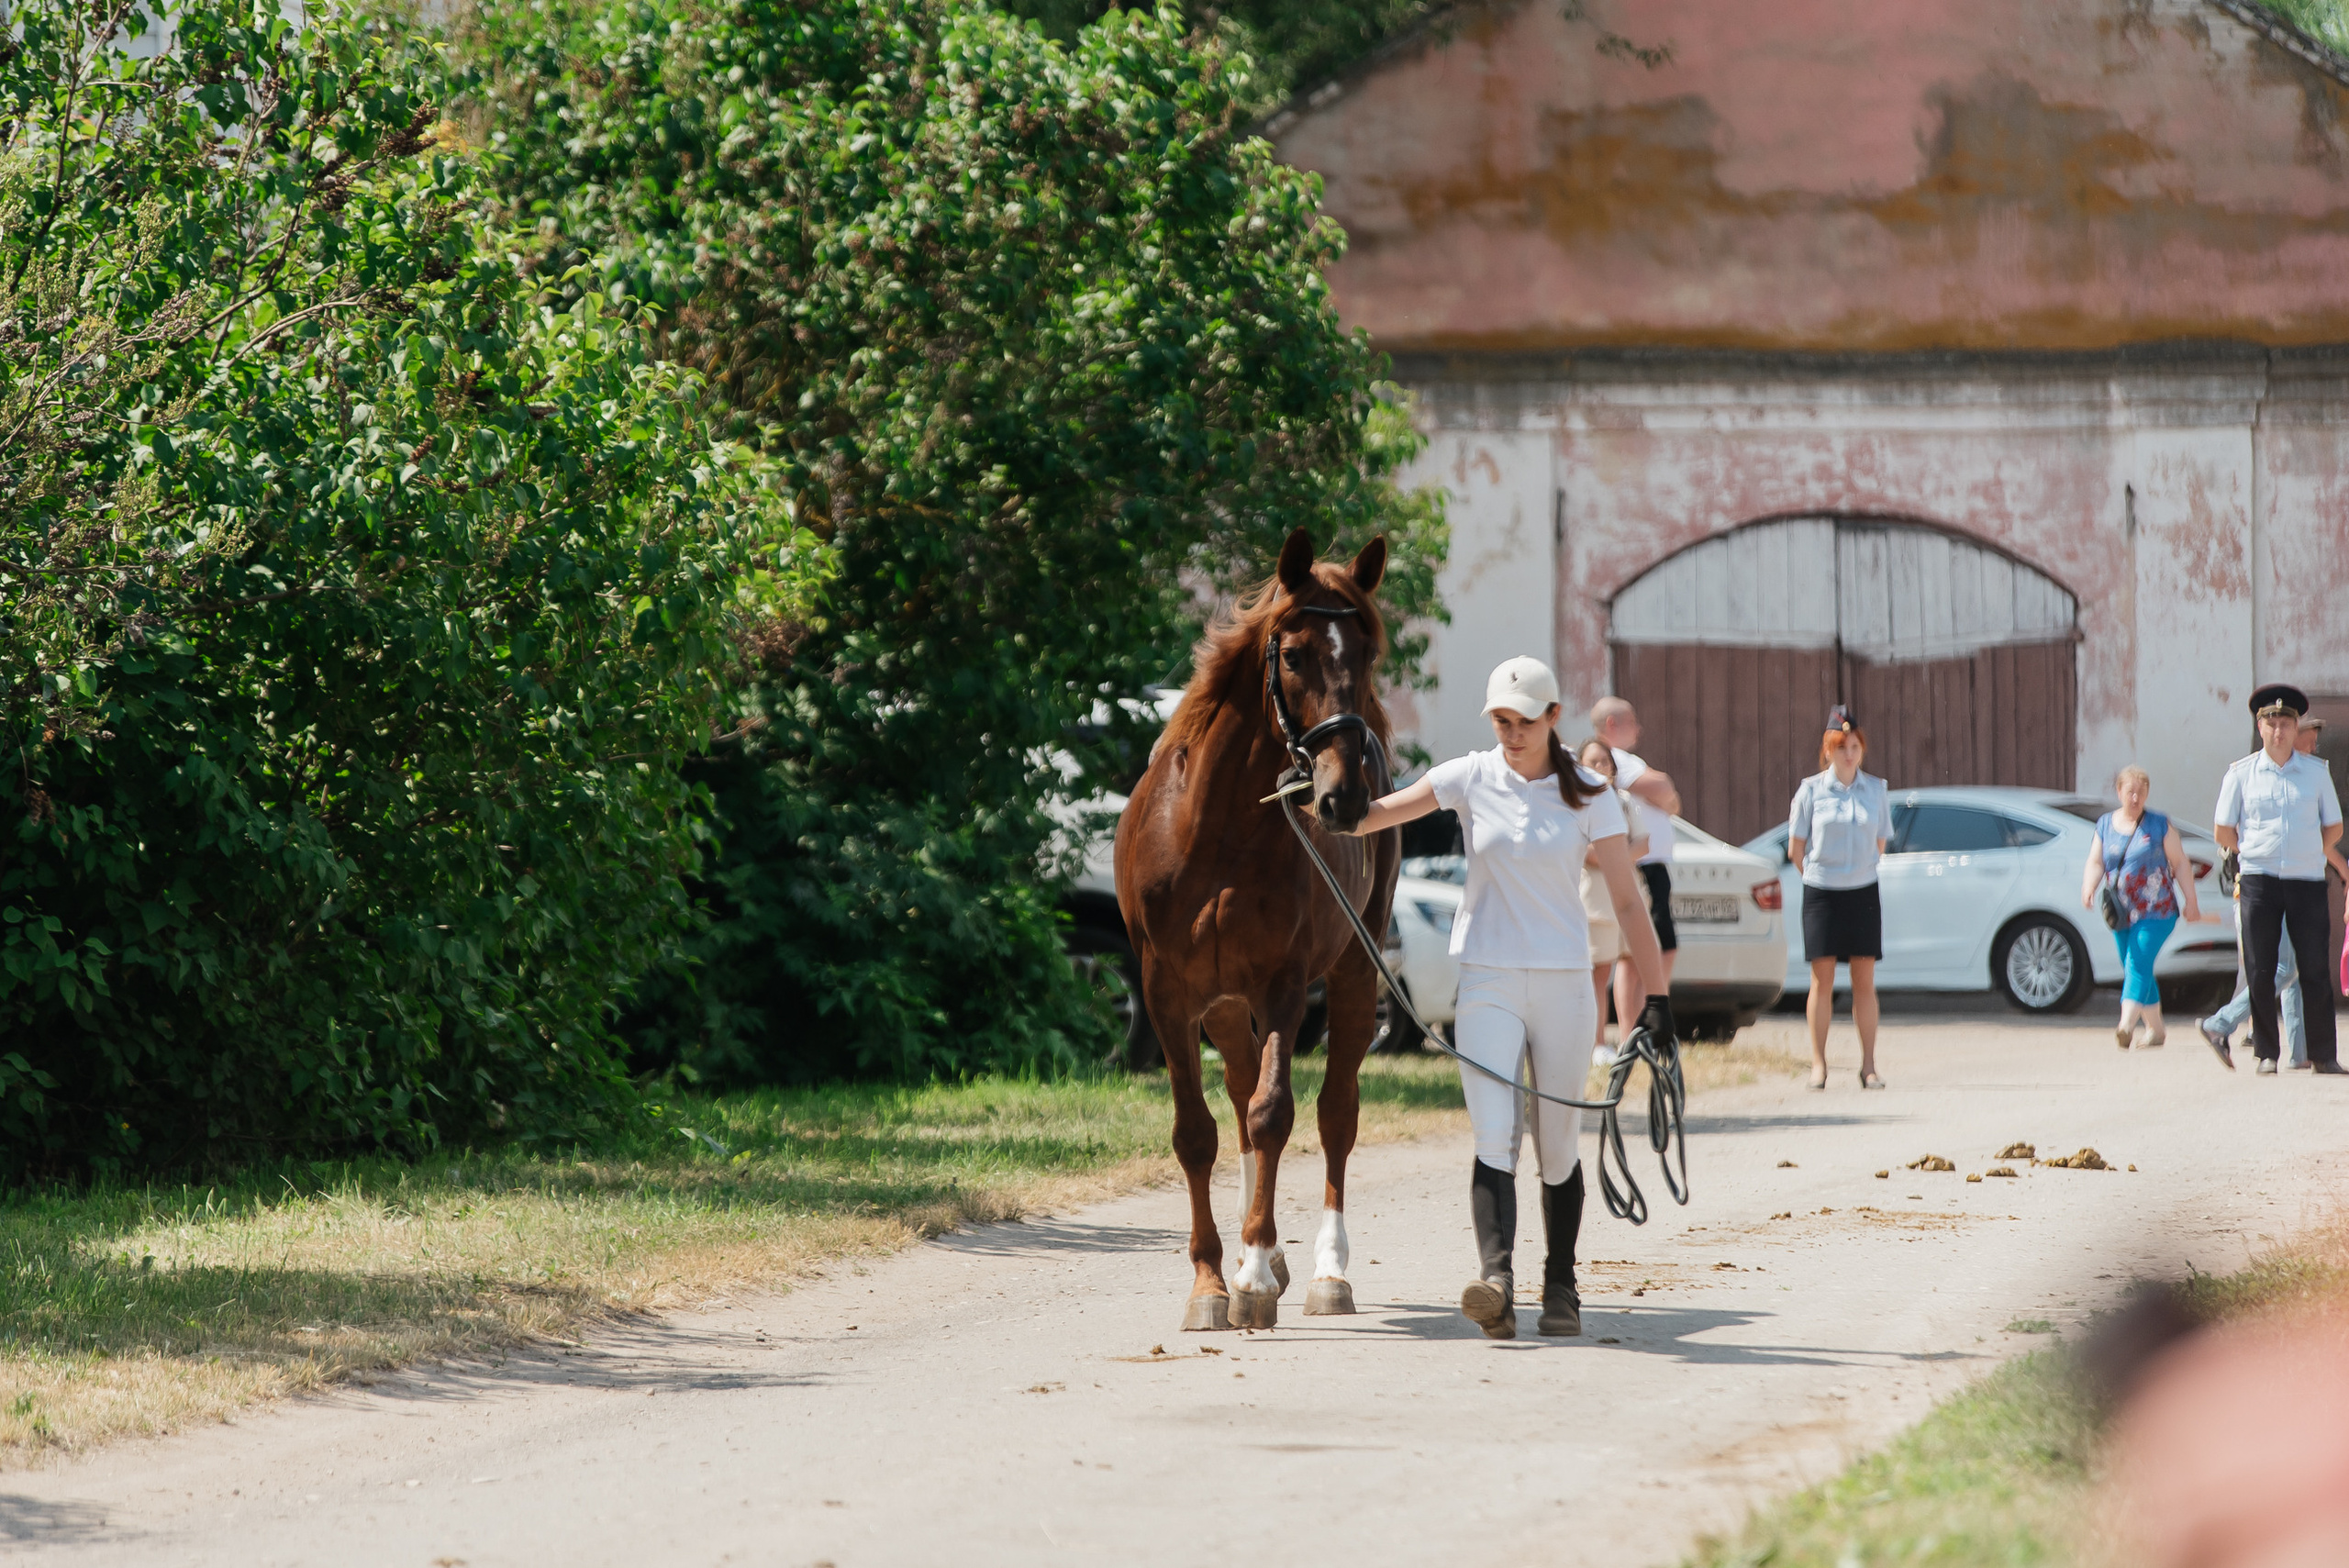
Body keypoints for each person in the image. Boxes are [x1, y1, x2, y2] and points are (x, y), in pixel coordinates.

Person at [1351, 657, 1673, 1340]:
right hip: (1489, 978)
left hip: (1563, 981)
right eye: (1501, 721)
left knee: (1558, 1143)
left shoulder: (1591, 791)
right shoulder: (1471, 775)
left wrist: (1660, 997)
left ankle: (1562, 1285)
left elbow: (1625, 898)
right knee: (1494, 1132)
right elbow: (1375, 816)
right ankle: (1496, 1281)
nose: (1511, 733)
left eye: (1524, 722)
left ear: (1555, 718)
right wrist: (1328, 804)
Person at [2210, 684, 2347, 1074]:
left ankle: (2323, 1055)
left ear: (2295, 726)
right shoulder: (2241, 774)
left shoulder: (2316, 773)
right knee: (2261, 967)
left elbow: (2333, 828)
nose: (2279, 729)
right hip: (2260, 880)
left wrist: (2306, 851)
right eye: (2271, 721)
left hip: (2304, 879)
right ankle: (2266, 1053)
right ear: (2260, 726)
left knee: (2314, 969)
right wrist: (2255, 850)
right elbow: (2223, 831)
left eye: (2286, 722)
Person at [1787, 706, 1887, 1090]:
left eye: (1855, 746)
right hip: (1822, 892)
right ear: (1828, 749)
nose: (1849, 754)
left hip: (1862, 890)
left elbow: (1879, 842)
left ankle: (1869, 1065)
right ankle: (1819, 1064)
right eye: (1841, 746)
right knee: (1821, 980)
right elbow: (1796, 850)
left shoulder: (1876, 789)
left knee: (1865, 980)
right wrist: (1819, 878)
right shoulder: (1811, 790)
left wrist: (1855, 872)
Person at [2082, 767, 2203, 1050]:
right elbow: (2097, 861)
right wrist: (2088, 887)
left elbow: (2180, 863)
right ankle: (2157, 1031)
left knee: (2137, 961)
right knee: (2137, 967)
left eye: (2141, 793)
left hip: (2157, 910)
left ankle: (2125, 1025)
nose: (2135, 798)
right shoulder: (2105, 825)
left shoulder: (2159, 824)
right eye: (2130, 792)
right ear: (2119, 792)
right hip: (2121, 912)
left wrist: (2191, 902)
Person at [1591, 696, 1682, 1043]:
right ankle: (1632, 1031)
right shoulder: (1614, 759)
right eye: (1632, 721)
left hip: (1652, 864)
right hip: (1639, 866)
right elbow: (1663, 789)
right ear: (1612, 725)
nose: (1639, 728)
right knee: (1633, 955)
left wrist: (1668, 796)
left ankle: (1645, 1025)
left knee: (1659, 949)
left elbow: (1673, 802)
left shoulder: (1627, 762)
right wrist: (1666, 793)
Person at [1576, 739, 1650, 1057]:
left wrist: (1617, 857)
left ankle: (1628, 1038)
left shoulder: (1623, 800)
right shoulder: (1577, 803)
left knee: (1633, 967)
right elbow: (1589, 855)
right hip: (1597, 902)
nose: (1599, 768)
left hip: (1629, 897)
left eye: (1604, 761)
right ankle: (1595, 1044)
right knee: (1599, 972)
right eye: (1592, 762)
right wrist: (1619, 856)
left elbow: (1644, 843)